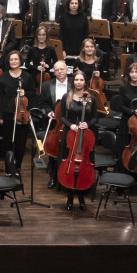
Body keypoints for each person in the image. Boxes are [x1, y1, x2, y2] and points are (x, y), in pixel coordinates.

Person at [51, 69, 99, 208]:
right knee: (70, 165)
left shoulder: (91, 98)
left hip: (85, 135)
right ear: (73, 81)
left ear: (85, 82)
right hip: (70, 135)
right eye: (76, 80)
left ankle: (82, 196)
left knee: (83, 165)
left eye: (81, 80)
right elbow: (62, 117)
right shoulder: (67, 96)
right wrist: (71, 125)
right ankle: (70, 196)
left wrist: (87, 124)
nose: (79, 82)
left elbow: (96, 117)